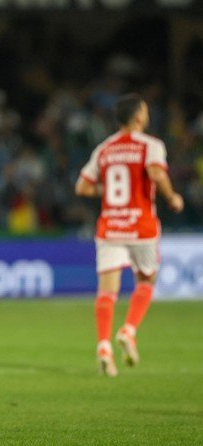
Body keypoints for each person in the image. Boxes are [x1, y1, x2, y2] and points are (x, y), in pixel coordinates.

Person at [75, 93, 184, 377]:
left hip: (111, 225)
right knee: (146, 281)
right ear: (138, 117)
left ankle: (103, 346)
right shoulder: (151, 145)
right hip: (141, 226)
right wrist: (172, 197)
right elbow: (156, 174)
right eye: (145, 111)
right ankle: (128, 329)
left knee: (107, 292)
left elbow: (82, 188)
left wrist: (106, 191)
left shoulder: (104, 149)